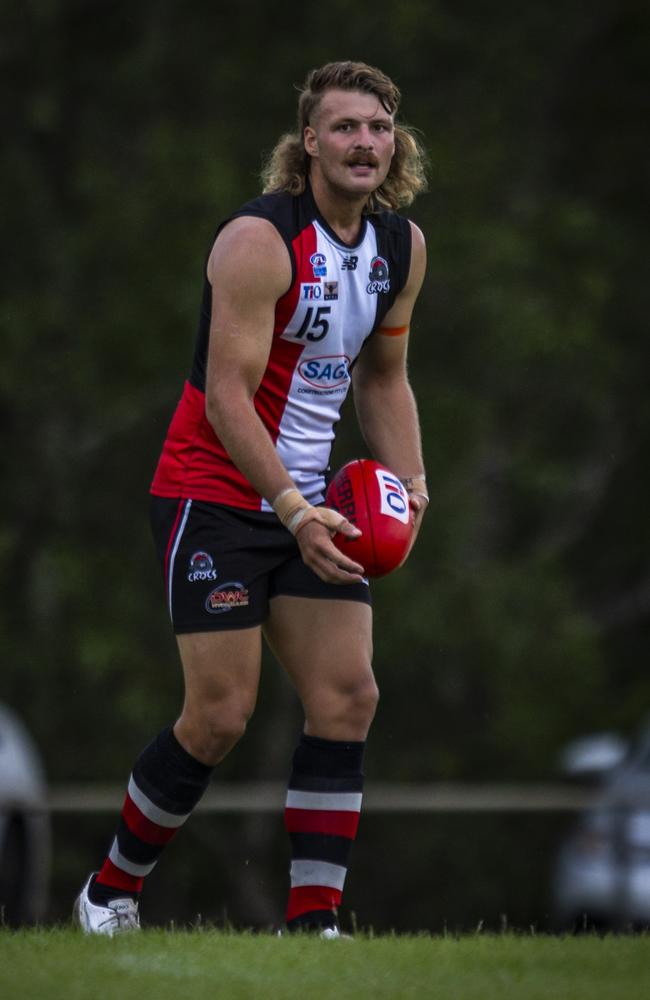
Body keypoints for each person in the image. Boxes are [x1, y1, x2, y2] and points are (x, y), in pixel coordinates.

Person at [74, 60, 429, 938]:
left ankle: (315, 925)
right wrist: (292, 510)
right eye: (345, 127)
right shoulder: (258, 240)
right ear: (308, 142)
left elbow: (384, 380)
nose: (364, 143)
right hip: (218, 493)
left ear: (396, 143)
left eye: (378, 128)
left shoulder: (399, 248)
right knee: (220, 716)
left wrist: (413, 485)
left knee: (348, 696)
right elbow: (227, 395)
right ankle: (110, 891)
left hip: (313, 499)